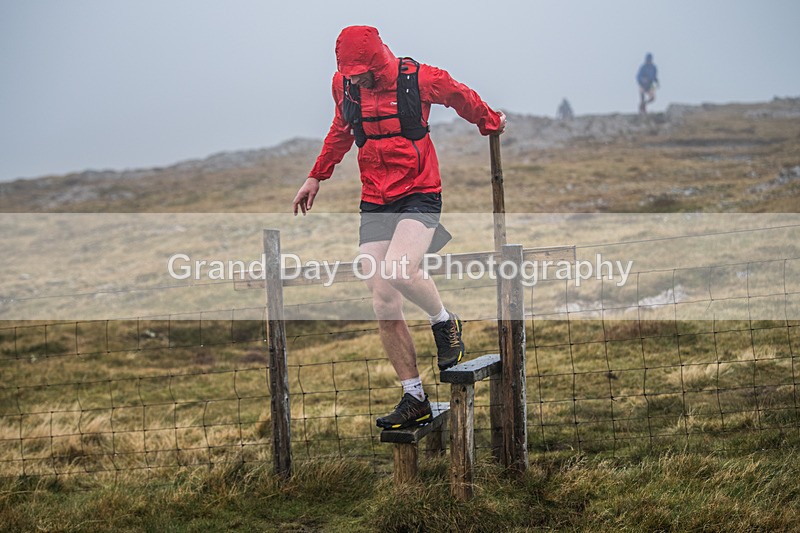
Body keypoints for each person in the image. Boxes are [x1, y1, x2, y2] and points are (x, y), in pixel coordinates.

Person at [292, 26, 506, 430]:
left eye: (358, 71)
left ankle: (445, 322)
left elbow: (461, 96)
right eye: (346, 72)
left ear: (375, 63)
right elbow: (342, 129)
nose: (352, 78)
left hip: (420, 192)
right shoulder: (345, 87)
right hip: (375, 197)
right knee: (381, 295)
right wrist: (316, 176)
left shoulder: (419, 78)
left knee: (399, 269)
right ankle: (414, 397)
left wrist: (490, 121)